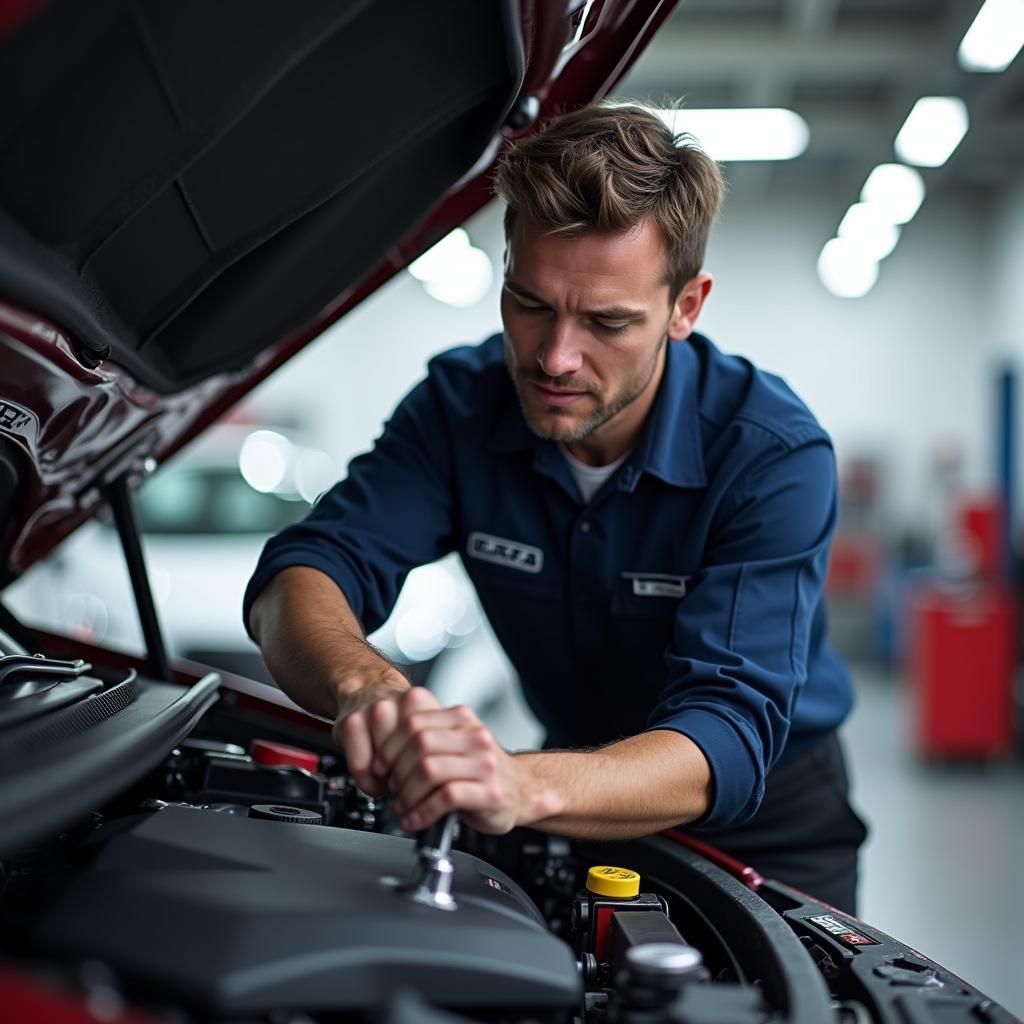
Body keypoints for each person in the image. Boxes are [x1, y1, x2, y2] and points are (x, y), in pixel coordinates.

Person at [244, 102, 867, 912]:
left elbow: (726, 726)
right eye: (530, 304)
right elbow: (305, 571)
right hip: (566, 789)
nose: (555, 357)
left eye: (608, 321)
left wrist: (519, 782)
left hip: (765, 826)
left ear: (686, 306)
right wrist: (369, 687)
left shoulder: (770, 455)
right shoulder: (459, 408)